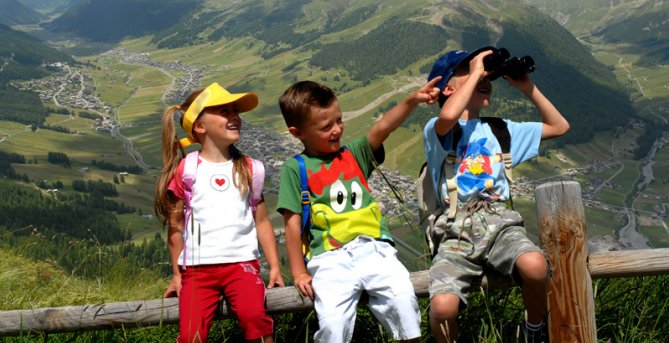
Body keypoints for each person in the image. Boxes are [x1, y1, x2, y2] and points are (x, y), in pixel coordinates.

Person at [276, 79, 441, 342]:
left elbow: (383, 127)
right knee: (333, 323)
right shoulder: (296, 169)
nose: (337, 129)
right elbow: (292, 224)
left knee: (403, 300)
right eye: (326, 126)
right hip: (329, 258)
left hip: (374, 248)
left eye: (339, 120)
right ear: (298, 133)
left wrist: (413, 100)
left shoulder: (354, 155)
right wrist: (298, 272)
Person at [423, 47, 570, 342]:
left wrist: (526, 87)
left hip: (499, 221)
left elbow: (559, 126)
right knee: (442, 306)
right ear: (447, 88)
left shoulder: (500, 129)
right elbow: (448, 115)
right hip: (456, 230)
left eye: (488, 72)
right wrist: (478, 72)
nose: (485, 76)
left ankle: (534, 330)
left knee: (535, 264)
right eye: (471, 70)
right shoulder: (438, 129)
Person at [154, 82, 284, 343]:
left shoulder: (251, 169)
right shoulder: (186, 171)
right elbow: (176, 227)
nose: (234, 116)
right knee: (191, 335)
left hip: (242, 265)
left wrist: (275, 268)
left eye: (234, 110)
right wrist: (177, 275)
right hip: (197, 270)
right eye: (224, 111)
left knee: (255, 319)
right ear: (200, 126)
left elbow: (261, 221)